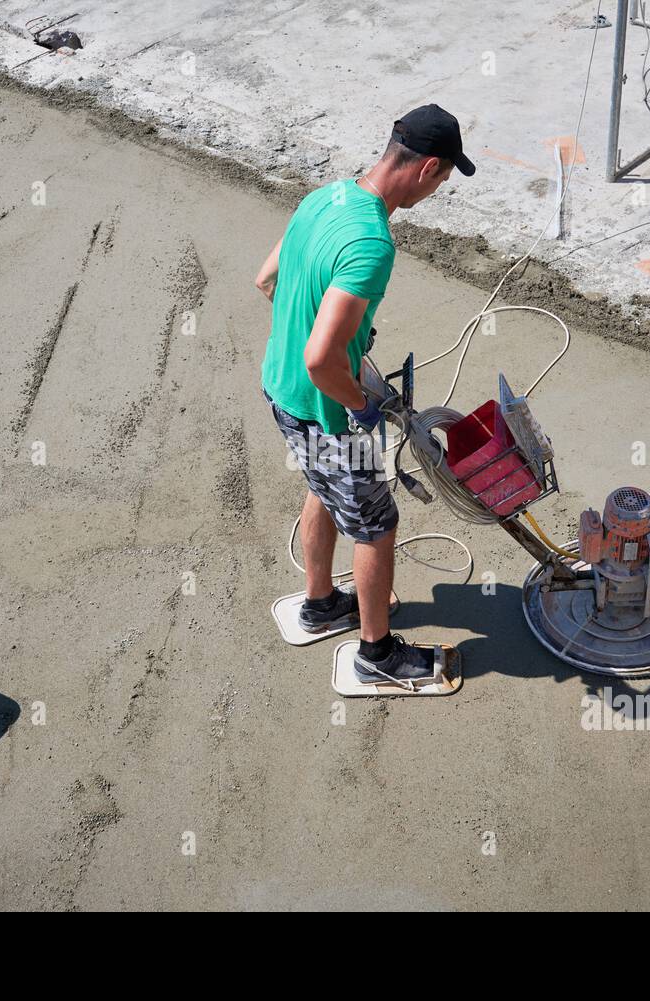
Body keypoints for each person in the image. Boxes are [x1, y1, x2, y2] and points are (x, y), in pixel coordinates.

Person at [255, 105, 474, 685]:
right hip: (327, 410)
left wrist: (324, 343)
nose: (438, 189)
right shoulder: (372, 244)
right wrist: (356, 403)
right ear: (428, 168)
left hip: (282, 392)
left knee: (321, 488)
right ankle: (377, 656)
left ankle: (322, 602)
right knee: (376, 524)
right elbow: (321, 358)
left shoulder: (325, 196)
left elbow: (266, 279)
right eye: (445, 180)